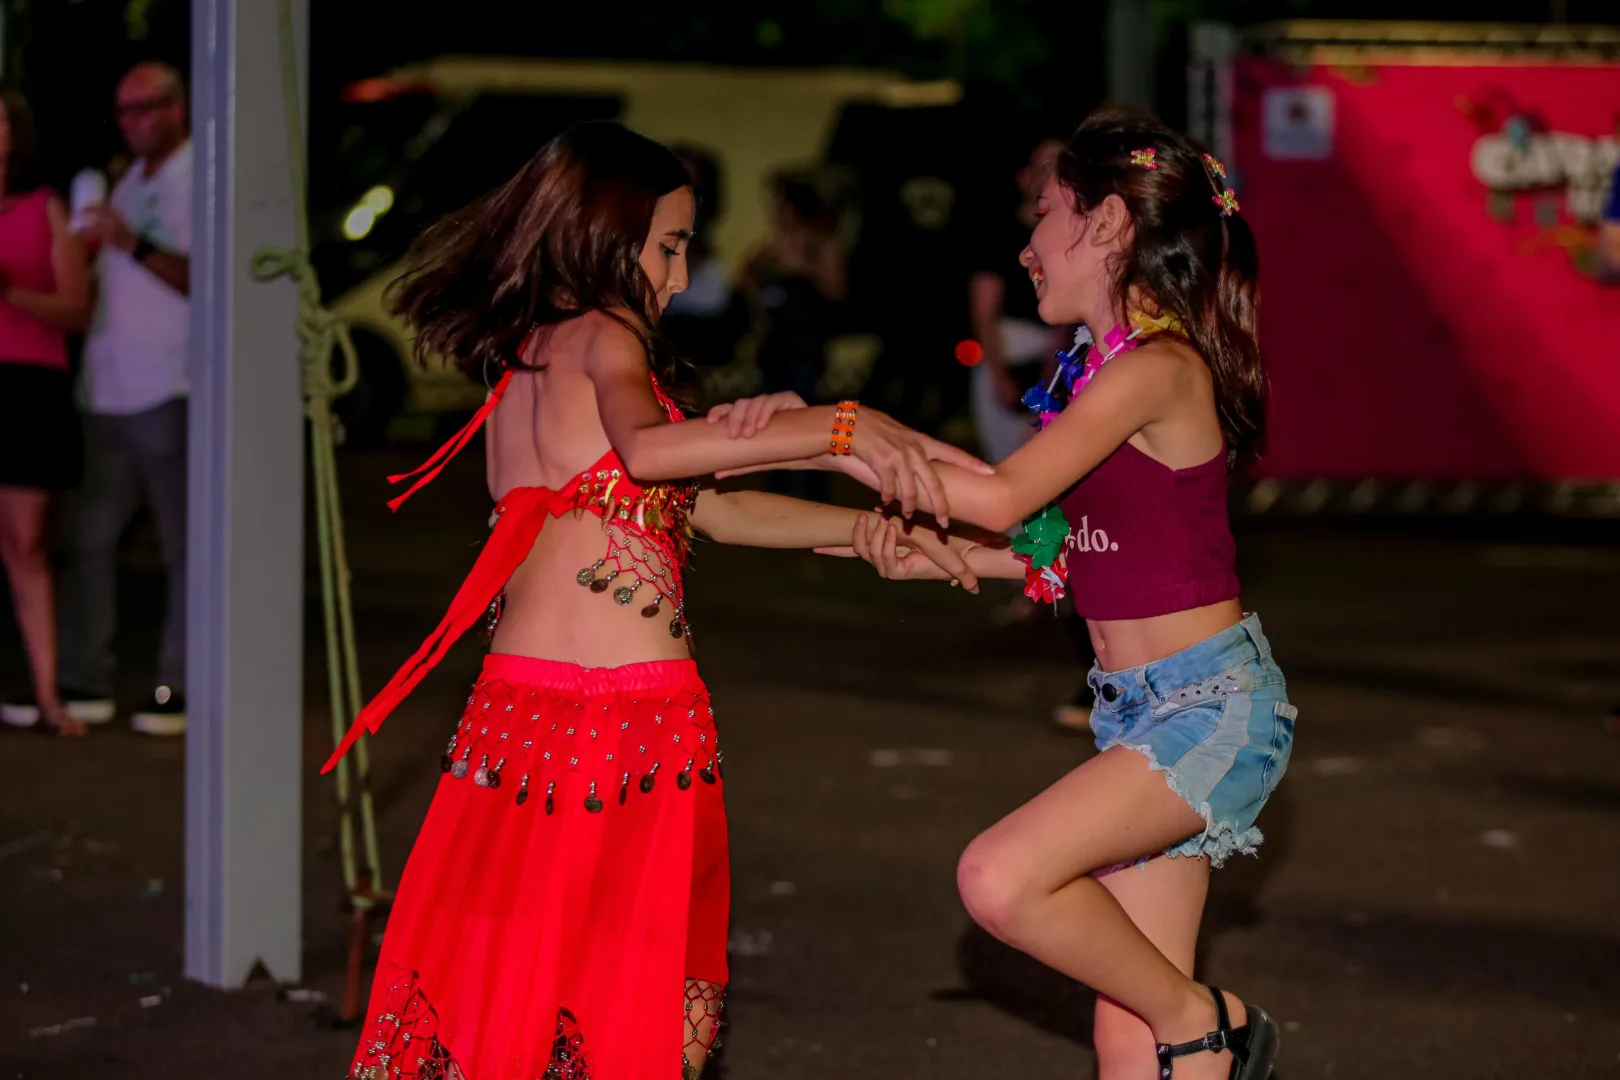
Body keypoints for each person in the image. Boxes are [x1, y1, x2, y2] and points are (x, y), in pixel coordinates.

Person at [325, 121, 986, 1080]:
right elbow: (651, 452)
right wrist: (843, 428)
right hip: (619, 723)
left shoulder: (529, 352)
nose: (678, 279)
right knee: (618, 1005)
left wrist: (864, 534)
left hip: (515, 723)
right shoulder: (602, 332)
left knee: (519, 991)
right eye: (670, 246)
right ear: (603, 232)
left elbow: (706, 510)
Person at [829, 108, 1292, 1080]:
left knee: (1002, 878)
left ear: (1110, 226)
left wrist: (842, 433)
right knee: (1127, 1032)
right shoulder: (1099, 373)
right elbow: (1079, 548)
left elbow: (1002, 493)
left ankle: (1218, 1019)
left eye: (1044, 213)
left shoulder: (1157, 368)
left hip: (1205, 710)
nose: (1028, 246)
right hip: (1139, 712)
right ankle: (1197, 1027)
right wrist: (956, 558)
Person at [62, 61, 192, 736]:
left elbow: (207, 279)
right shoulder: (126, 176)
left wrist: (130, 241)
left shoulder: (198, 176)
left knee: (180, 542)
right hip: (107, 386)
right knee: (90, 539)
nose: (134, 121)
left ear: (178, 107)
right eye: (124, 110)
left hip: (169, 385)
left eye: (146, 107)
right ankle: (85, 677)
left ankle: (178, 684)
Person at [0, 90, 93, 736]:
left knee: (27, 545)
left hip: (28, 389)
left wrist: (11, 291)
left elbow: (77, 309)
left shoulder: (43, 207)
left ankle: (46, 693)